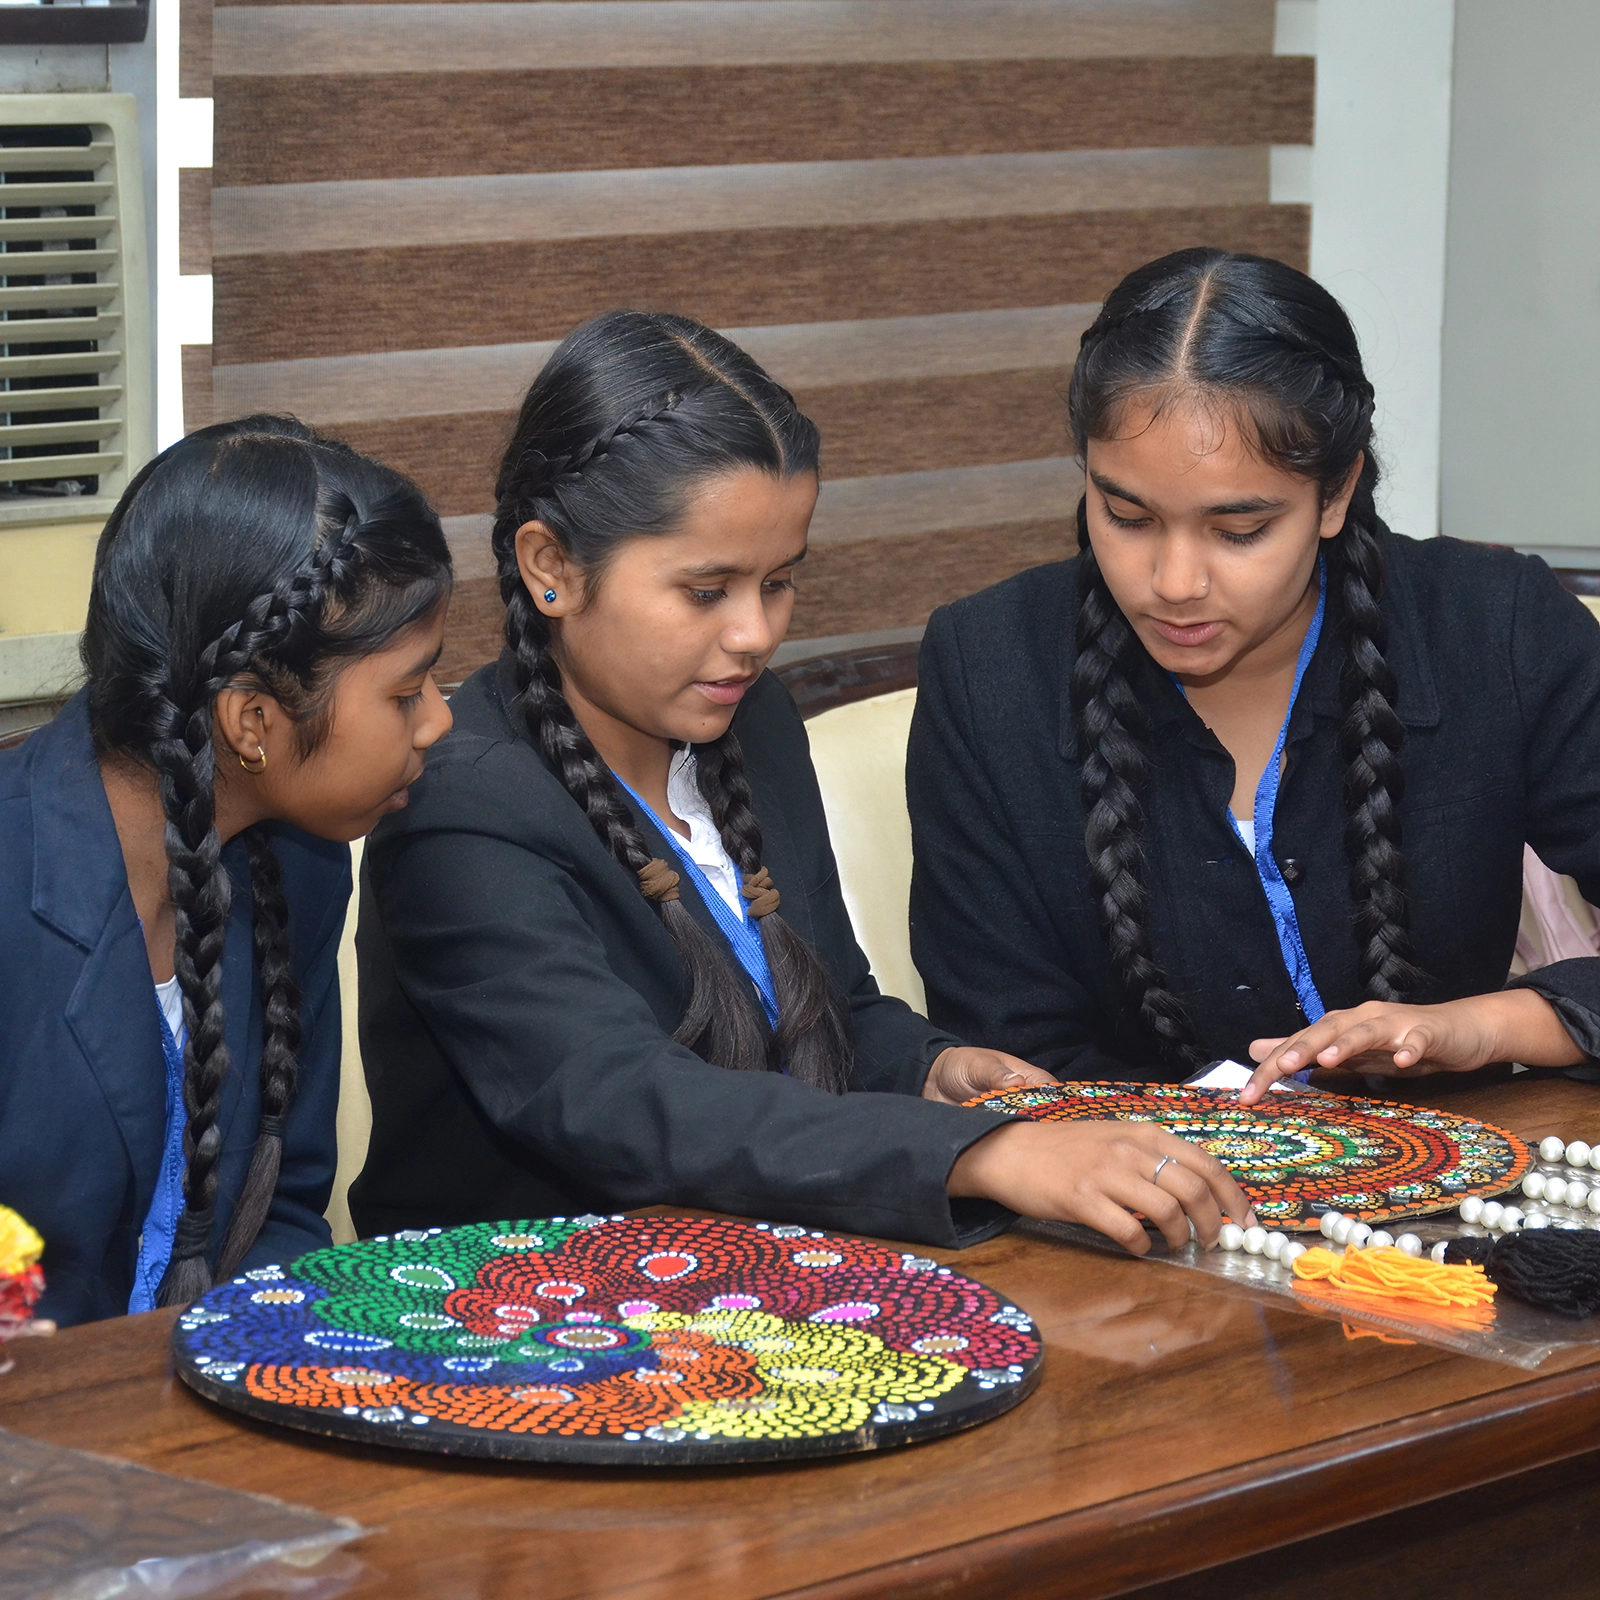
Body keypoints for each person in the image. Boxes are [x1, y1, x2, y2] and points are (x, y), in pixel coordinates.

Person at [352, 310, 1250, 1258]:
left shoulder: (756, 724)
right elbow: (626, 1101)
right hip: (521, 1321)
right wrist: (975, 1155)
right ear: (552, 568)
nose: (755, 635)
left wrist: (933, 1070)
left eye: (779, 582)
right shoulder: (464, 801)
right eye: (707, 591)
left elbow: (834, 1009)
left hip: (766, 1276)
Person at [907, 247, 1600, 1104]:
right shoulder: (988, 667)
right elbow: (1002, 1045)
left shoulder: (1497, 628)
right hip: (1132, 1208)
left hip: (1472, 1184)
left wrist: (1482, 1028)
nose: (1174, 583)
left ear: (1337, 493)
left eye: (1239, 530)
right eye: (1125, 516)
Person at [0, 418, 453, 1327]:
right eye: (405, 693)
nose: (439, 721)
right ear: (252, 720)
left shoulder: (306, 869)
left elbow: (286, 1206)